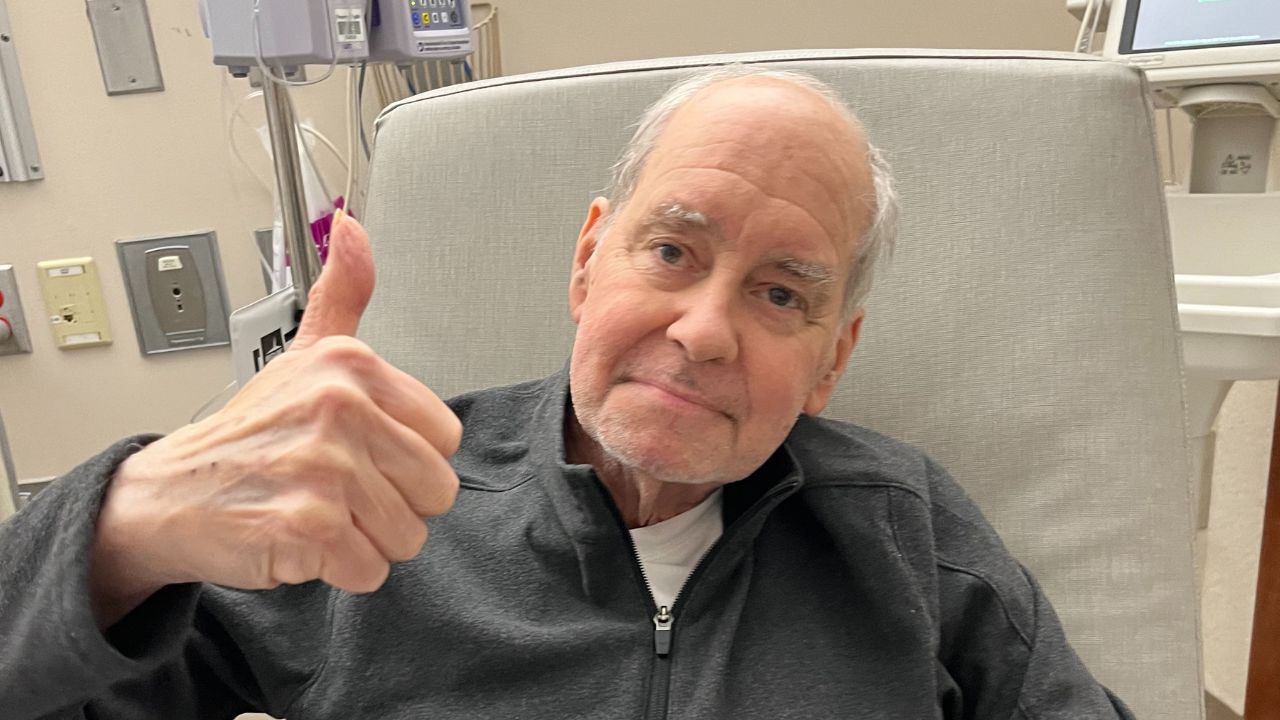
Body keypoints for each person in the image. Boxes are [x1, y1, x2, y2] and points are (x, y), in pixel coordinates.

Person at [0, 65, 1135, 720]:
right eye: (673, 252)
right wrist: (121, 530)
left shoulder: (907, 535)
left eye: (782, 296)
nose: (702, 333)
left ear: (833, 358)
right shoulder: (378, 504)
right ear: (589, 258)